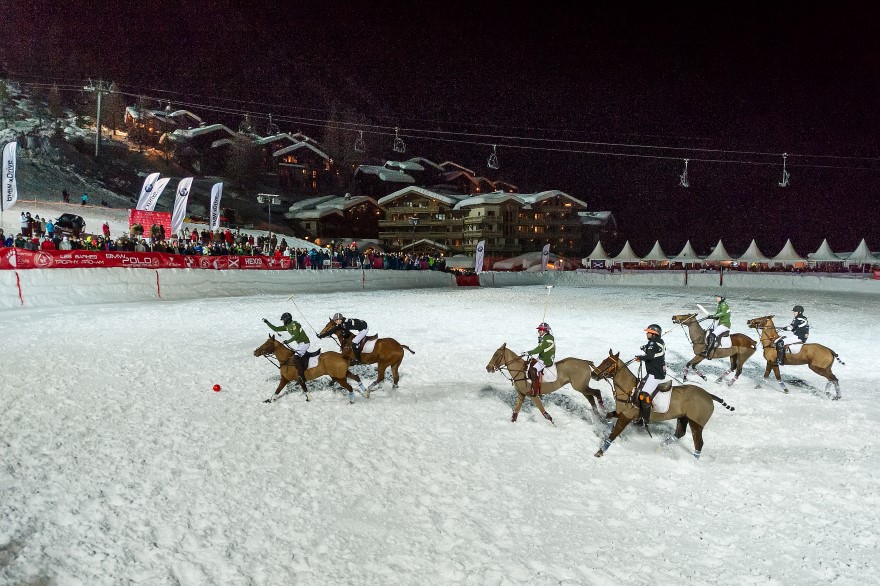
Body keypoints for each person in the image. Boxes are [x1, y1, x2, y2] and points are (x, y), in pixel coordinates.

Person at [264, 312, 312, 385]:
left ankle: (302, 378)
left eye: (283, 320)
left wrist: (288, 341)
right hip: (300, 344)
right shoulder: (287, 326)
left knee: (295, 358)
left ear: (287, 319)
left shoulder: (294, 325)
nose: (283, 321)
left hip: (305, 343)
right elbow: (276, 328)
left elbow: (296, 335)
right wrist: (267, 322)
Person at [634, 324, 667, 423]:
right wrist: (645, 348)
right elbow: (653, 352)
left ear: (654, 334)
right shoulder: (656, 342)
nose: (647, 334)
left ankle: (645, 420)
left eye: (649, 332)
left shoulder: (653, 343)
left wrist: (640, 357)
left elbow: (650, 356)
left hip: (655, 374)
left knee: (643, 395)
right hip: (654, 372)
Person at [525, 322, 555, 395]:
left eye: (540, 330)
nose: (538, 331)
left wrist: (528, 352)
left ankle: (535, 391)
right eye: (539, 330)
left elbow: (538, 350)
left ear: (544, 331)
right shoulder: (548, 337)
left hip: (546, 359)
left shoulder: (546, 339)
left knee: (533, 370)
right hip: (543, 357)